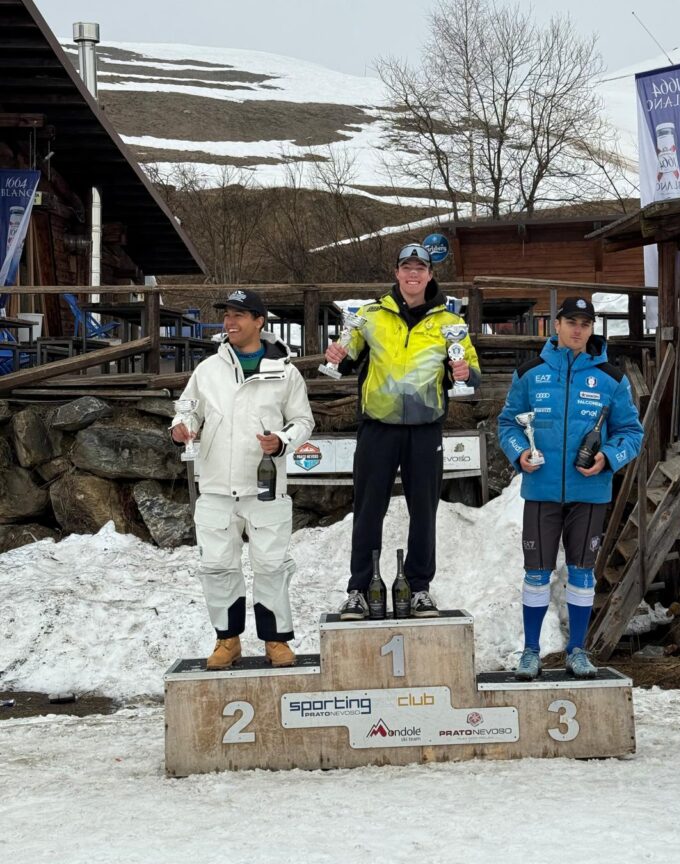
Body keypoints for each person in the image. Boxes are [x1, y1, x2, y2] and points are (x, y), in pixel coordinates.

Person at [325, 243, 481, 620]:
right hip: (377, 427)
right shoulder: (370, 315)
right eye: (406, 267)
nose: (413, 274)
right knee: (368, 511)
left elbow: (472, 372)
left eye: (420, 268)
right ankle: (360, 589)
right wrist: (337, 356)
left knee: (424, 512)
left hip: (425, 430)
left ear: (430, 275)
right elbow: (346, 360)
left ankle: (419, 588)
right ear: (396, 273)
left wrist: (464, 373)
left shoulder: (449, 322)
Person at [498, 296, 643, 679]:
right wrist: (520, 453)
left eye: (585, 324)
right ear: (557, 325)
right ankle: (531, 652)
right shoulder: (530, 372)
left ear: (591, 329)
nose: (578, 330)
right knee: (536, 574)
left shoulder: (612, 378)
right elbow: (508, 424)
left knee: (582, 573)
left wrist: (608, 457)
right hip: (541, 492)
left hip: (589, 494)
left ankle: (577, 651)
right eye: (572, 322)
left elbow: (632, 432)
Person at [171, 288, 314, 670]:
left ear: (259, 322)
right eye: (227, 315)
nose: (229, 322)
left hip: (265, 488)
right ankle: (227, 640)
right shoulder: (207, 370)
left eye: (238, 315)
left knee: (271, 567)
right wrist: (182, 426)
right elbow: (187, 410)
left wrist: (281, 440)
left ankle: (276, 641)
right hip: (216, 487)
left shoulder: (286, 371)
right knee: (218, 568)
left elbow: (303, 421)